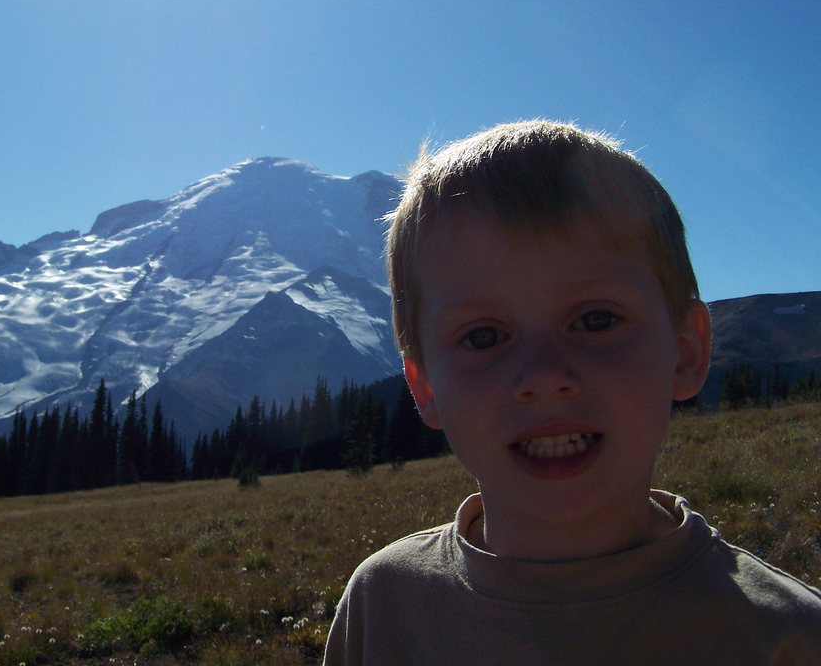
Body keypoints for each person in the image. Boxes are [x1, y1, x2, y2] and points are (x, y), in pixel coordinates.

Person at [323, 120, 821, 665]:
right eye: (483, 337)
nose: (543, 375)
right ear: (425, 386)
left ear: (685, 351)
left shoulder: (791, 635)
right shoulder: (384, 607)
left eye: (596, 320)